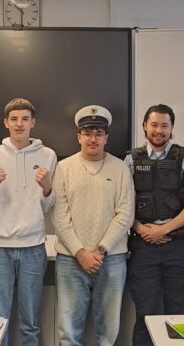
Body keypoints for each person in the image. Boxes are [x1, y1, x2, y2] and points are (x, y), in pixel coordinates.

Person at [52, 105, 134, 346]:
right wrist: (81, 253)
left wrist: (99, 252)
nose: (93, 139)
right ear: (79, 136)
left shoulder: (120, 168)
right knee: (68, 333)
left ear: (107, 137)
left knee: (108, 333)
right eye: (87, 133)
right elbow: (59, 217)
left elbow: (125, 214)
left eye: (99, 133)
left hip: (111, 260)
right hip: (70, 260)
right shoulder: (63, 168)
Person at [124, 104, 184, 346]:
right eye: (154, 125)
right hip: (143, 246)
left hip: (177, 245)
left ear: (172, 128)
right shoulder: (130, 160)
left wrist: (164, 229)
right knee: (145, 314)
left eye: (164, 125)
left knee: (177, 313)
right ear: (144, 126)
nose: (159, 130)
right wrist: (141, 229)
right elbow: (122, 203)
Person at [0, 98, 57, 346]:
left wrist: (47, 188)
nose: (19, 124)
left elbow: (47, 206)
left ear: (33, 122)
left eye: (25, 119)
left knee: (30, 322)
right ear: (6, 123)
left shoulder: (48, 155)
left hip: (33, 247)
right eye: (14, 119)